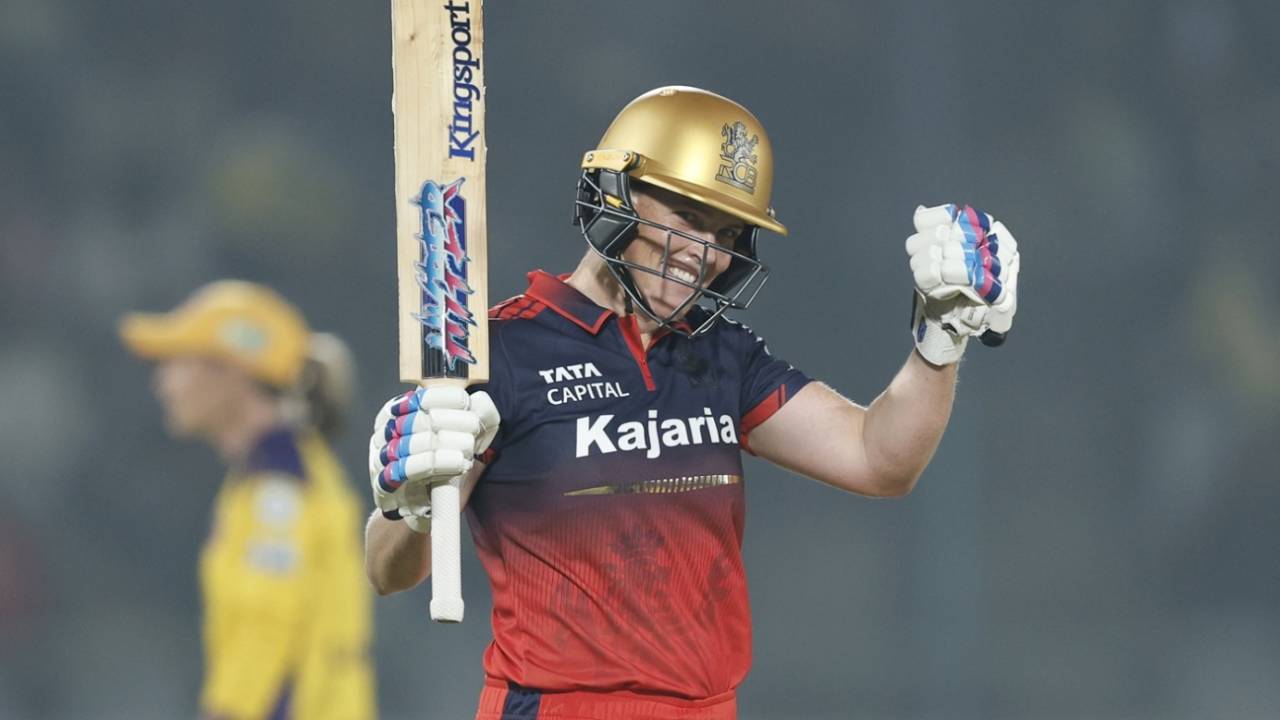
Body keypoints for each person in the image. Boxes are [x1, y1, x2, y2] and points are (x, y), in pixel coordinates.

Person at [365, 86, 1021, 719]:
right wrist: (414, 506)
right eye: (687, 217)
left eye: (726, 233)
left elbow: (880, 460)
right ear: (613, 195)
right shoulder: (500, 350)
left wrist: (940, 338)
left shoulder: (721, 355)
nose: (705, 255)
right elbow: (386, 570)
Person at [121, 280, 376, 720]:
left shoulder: (279, 491)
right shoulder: (274, 480)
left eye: (177, 362)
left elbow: (268, 636)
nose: (163, 383)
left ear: (231, 370)